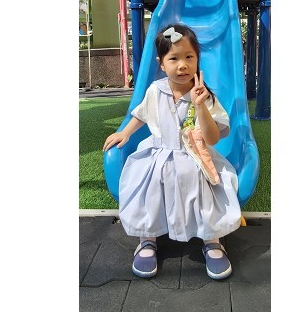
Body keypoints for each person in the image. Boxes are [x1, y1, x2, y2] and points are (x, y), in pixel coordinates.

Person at [103, 23, 242, 280]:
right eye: (174, 58)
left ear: (198, 59)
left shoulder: (204, 96)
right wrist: (126, 133)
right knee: (149, 185)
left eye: (189, 57)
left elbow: (212, 138)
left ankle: (212, 239)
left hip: (195, 156)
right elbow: (141, 114)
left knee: (202, 188)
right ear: (161, 63)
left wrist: (200, 106)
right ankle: (147, 238)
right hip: (159, 153)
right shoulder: (156, 90)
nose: (182, 65)